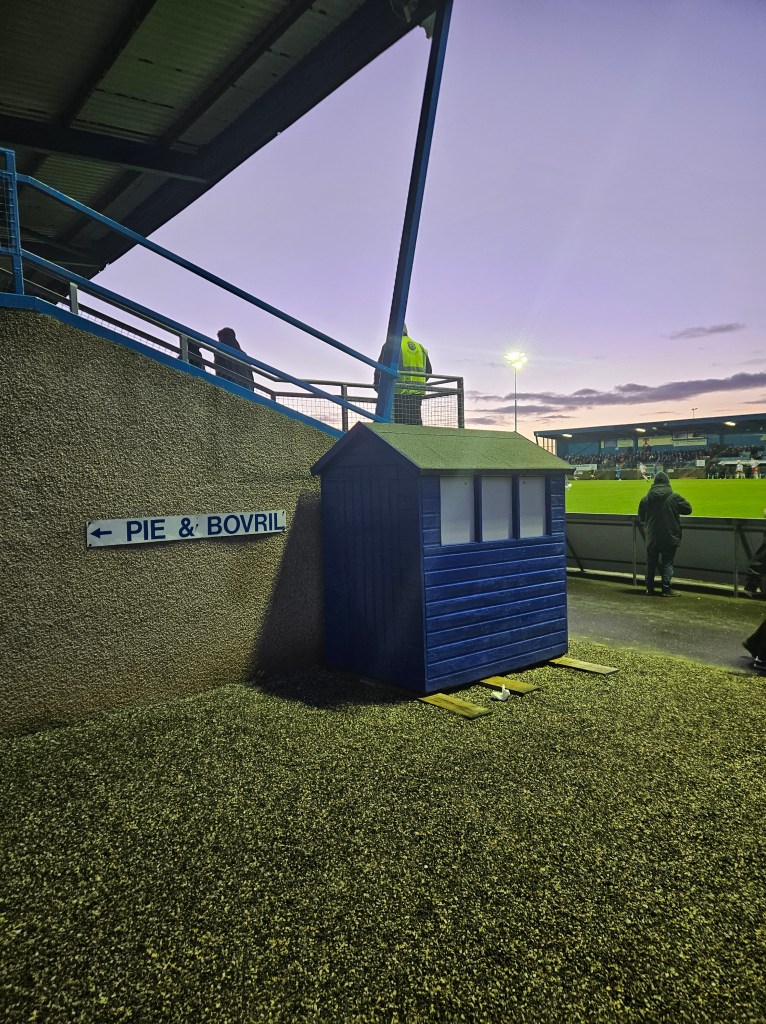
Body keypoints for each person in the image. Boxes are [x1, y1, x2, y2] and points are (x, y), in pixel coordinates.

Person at [637, 471, 693, 596]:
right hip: (669, 535)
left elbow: (641, 517)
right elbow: (688, 509)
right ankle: (666, 589)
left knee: (651, 563)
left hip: (652, 536)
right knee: (667, 563)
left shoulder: (645, 499)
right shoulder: (674, 497)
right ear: (667, 483)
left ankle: (649, 589)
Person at [374, 324, 431, 425]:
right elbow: (429, 371)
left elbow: (380, 369)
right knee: (414, 425)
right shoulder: (420, 347)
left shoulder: (391, 345)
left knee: (397, 425)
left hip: (398, 392)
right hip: (417, 394)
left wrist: (377, 386)